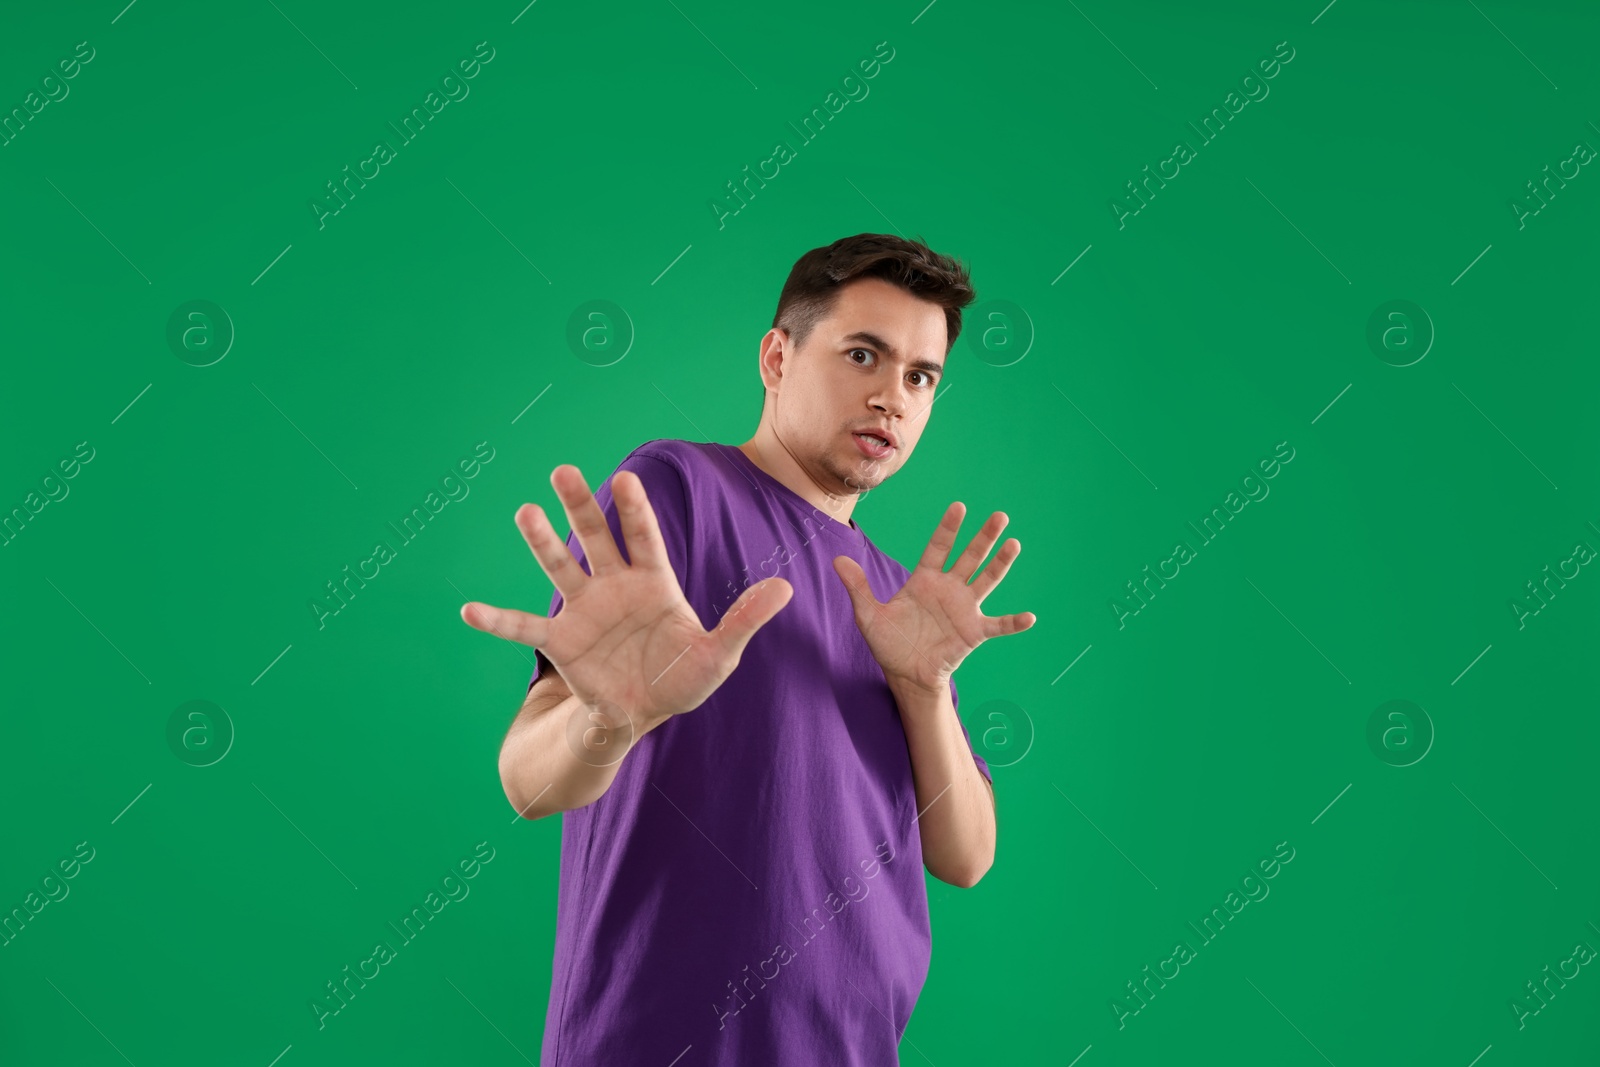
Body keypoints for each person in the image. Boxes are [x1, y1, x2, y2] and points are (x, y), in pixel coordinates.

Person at [459, 232, 1036, 1065]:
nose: (892, 397)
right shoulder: (679, 490)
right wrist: (607, 716)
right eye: (863, 354)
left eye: (920, 376)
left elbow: (967, 853)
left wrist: (922, 685)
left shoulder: (897, 601)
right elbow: (526, 778)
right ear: (776, 356)